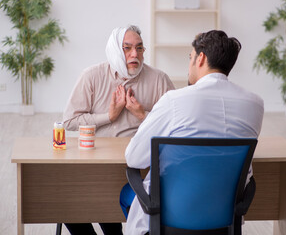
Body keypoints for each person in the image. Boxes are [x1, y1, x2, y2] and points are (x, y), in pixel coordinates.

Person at [122, 30, 264, 235]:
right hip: (222, 217)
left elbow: (134, 158)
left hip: (168, 215)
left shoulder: (175, 100)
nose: (189, 65)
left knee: (126, 194)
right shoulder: (255, 104)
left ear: (201, 58)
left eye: (190, 58)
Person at [62, 25, 175, 235]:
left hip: (141, 167)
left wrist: (142, 114)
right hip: (95, 165)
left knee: (116, 199)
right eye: (127, 48)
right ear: (115, 50)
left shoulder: (159, 79)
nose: (135, 54)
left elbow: (175, 128)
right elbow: (69, 121)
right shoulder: (91, 76)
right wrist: (109, 116)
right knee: (65, 204)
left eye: (140, 48)